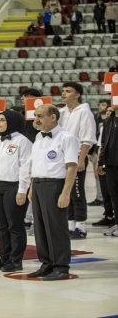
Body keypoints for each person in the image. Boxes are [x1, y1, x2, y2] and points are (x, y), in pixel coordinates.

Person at [27, 104, 79, 281]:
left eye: (40, 116)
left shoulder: (67, 137)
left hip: (55, 185)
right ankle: (47, 263)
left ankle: (61, 267)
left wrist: (65, 193)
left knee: (56, 228)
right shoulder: (38, 137)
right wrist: (33, 187)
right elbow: (36, 165)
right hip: (39, 184)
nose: (37, 119)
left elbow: (72, 167)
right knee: (41, 228)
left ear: (53, 117)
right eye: (35, 115)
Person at [0, 110, 32, 273]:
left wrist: (23, 189)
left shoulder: (23, 142)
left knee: (14, 225)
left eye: (2, 120)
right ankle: (3, 257)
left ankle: (16, 260)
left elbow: (26, 167)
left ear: (13, 122)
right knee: (1, 225)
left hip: (14, 186)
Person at [59, 82, 96, 239]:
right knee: (66, 191)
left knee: (77, 192)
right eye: (63, 91)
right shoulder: (61, 112)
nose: (64, 93)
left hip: (76, 157)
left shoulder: (84, 112)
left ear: (77, 94)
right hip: (61, 158)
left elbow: (87, 138)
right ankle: (70, 225)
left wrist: (81, 160)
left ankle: (81, 227)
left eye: (68, 91)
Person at [97, 106, 118, 237]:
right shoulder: (108, 121)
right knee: (114, 196)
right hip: (110, 163)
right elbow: (104, 143)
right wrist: (100, 161)